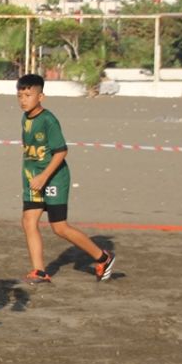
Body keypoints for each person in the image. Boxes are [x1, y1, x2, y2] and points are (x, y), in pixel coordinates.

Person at [16, 74, 116, 283]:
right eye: (20, 95)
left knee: (59, 227)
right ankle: (40, 271)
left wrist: (43, 176)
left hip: (53, 178)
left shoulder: (48, 120)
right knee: (28, 221)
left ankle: (103, 258)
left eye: (28, 95)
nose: (23, 100)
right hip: (33, 179)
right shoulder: (25, 118)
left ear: (41, 96)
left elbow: (61, 152)